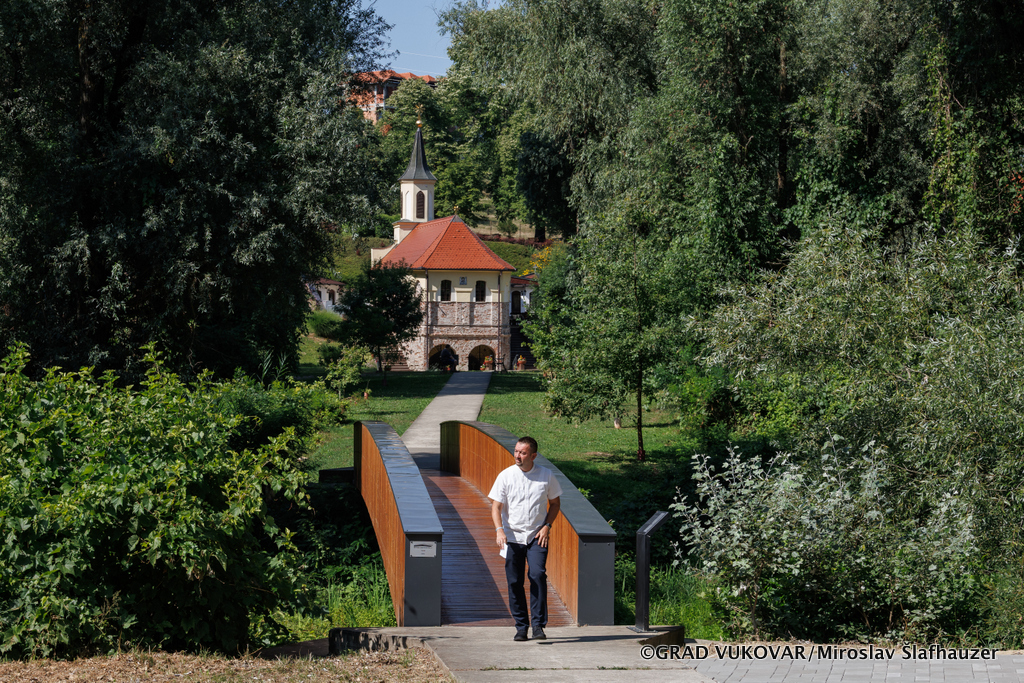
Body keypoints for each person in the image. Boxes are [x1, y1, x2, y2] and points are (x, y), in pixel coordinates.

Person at [488, 436, 562, 641]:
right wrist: (499, 530)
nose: (517, 456)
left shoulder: (546, 475)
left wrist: (547, 526)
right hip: (512, 536)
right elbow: (496, 507)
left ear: (533, 456)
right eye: (516, 451)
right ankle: (521, 626)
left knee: (537, 575)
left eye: (522, 453)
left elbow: (555, 504)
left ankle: (538, 625)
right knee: (514, 581)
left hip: (537, 535)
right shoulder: (506, 476)